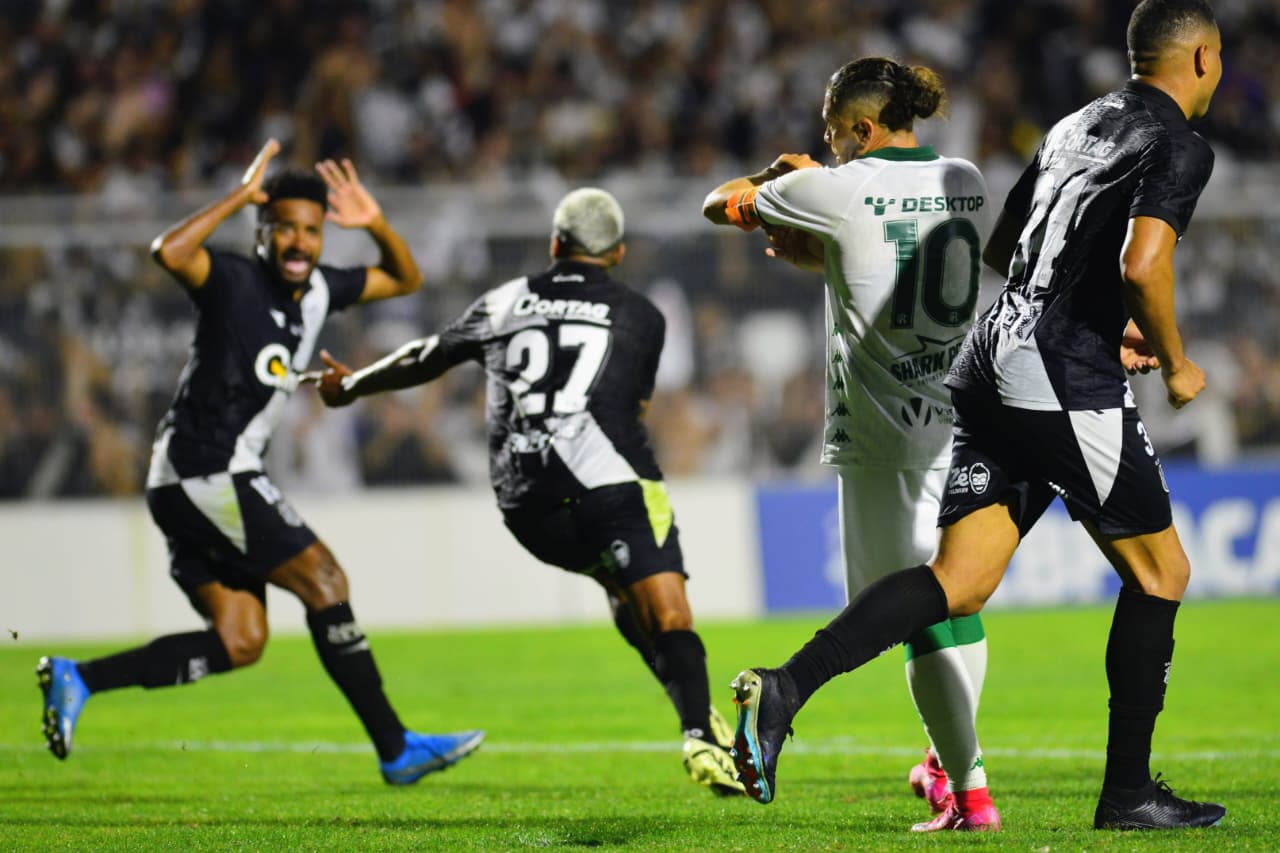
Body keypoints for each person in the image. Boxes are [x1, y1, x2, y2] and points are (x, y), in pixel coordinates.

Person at [722, 0, 1228, 831]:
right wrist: (1174, 358)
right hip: (1061, 373)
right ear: (1202, 58)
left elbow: (1008, 249)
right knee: (1161, 572)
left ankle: (785, 687)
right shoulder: (1180, 143)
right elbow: (1143, 263)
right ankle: (1129, 792)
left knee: (960, 580)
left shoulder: (1075, 123)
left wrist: (1096, 322)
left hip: (993, 356)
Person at [36, 139, 484, 785]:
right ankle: (396, 746)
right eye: (284, 229)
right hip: (205, 468)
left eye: (312, 230)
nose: (300, 243)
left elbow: (407, 277)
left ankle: (79, 678)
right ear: (263, 233)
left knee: (241, 640)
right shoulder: (232, 280)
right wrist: (240, 197)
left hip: (200, 477)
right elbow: (170, 252)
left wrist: (377, 222)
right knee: (325, 578)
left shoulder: (324, 288)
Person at [309, 188, 745, 796]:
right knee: (666, 607)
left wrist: (352, 384)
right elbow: (635, 405)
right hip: (608, 489)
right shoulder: (643, 314)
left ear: (554, 245)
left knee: (621, 592)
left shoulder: (505, 300)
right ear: (617, 253)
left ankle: (692, 710)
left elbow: (427, 355)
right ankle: (701, 734)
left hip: (528, 508)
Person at [703, 58, 1000, 831]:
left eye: (834, 135)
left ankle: (969, 794)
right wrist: (829, 249)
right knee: (954, 597)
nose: (827, 148)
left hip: (881, 434)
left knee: (909, 612)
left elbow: (718, 205)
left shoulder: (830, 187)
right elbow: (889, 256)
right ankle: (947, 767)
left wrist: (779, 175)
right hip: (963, 418)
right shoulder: (965, 176)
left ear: (862, 129)